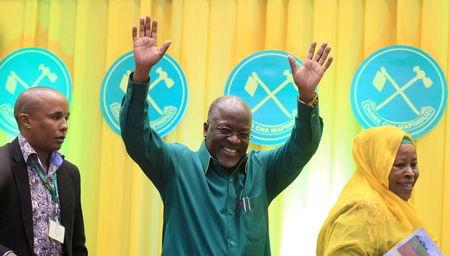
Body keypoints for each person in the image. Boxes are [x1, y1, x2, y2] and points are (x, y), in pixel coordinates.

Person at [120, 16, 332, 255]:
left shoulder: (262, 171)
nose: (234, 140)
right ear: (205, 129)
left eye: (243, 134)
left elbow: (301, 147)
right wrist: (140, 75)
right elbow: (136, 136)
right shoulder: (177, 166)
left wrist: (306, 96)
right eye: (225, 130)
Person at [316, 126, 436, 255]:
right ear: (377, 165)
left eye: (413, 164)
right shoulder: (362, 208)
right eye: (400, 165)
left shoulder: (397, 207)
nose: (410, 173)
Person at [0, 87, 88, 256]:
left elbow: (77, 243)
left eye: (66, 118)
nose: (64, 126)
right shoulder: (2, 164)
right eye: (55, 117)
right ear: (26, 121)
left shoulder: (70, 173)